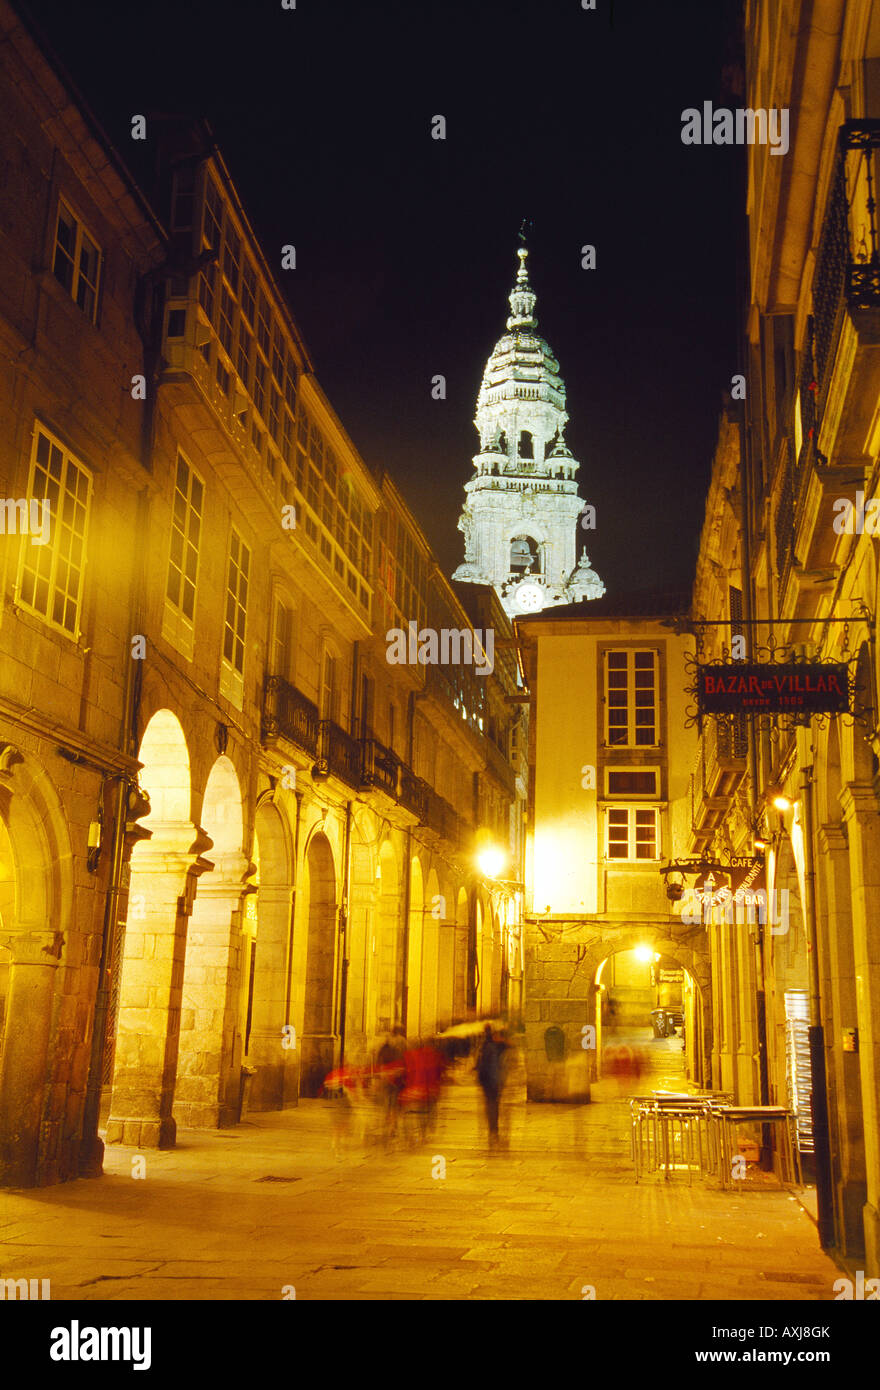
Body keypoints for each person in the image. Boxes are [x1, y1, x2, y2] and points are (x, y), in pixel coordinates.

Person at [475, 1023, 509, 1150]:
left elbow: (482, 1065)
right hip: (495, 1081)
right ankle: (494, 1129)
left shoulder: (487, 1046)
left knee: (491, 1105)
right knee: (494, 1105)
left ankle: (493, 1129)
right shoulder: (498, 1046)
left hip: (490, 1081)